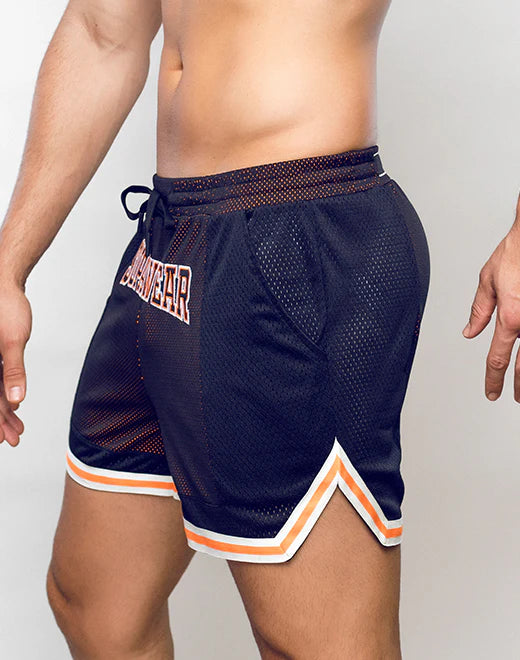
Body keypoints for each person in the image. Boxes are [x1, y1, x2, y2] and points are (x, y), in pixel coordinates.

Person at [0, 1, 518, 658]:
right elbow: (104, 32)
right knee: (95, 606)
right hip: (167, 244)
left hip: (299, 240)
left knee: (317, 646)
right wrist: (8, 266)